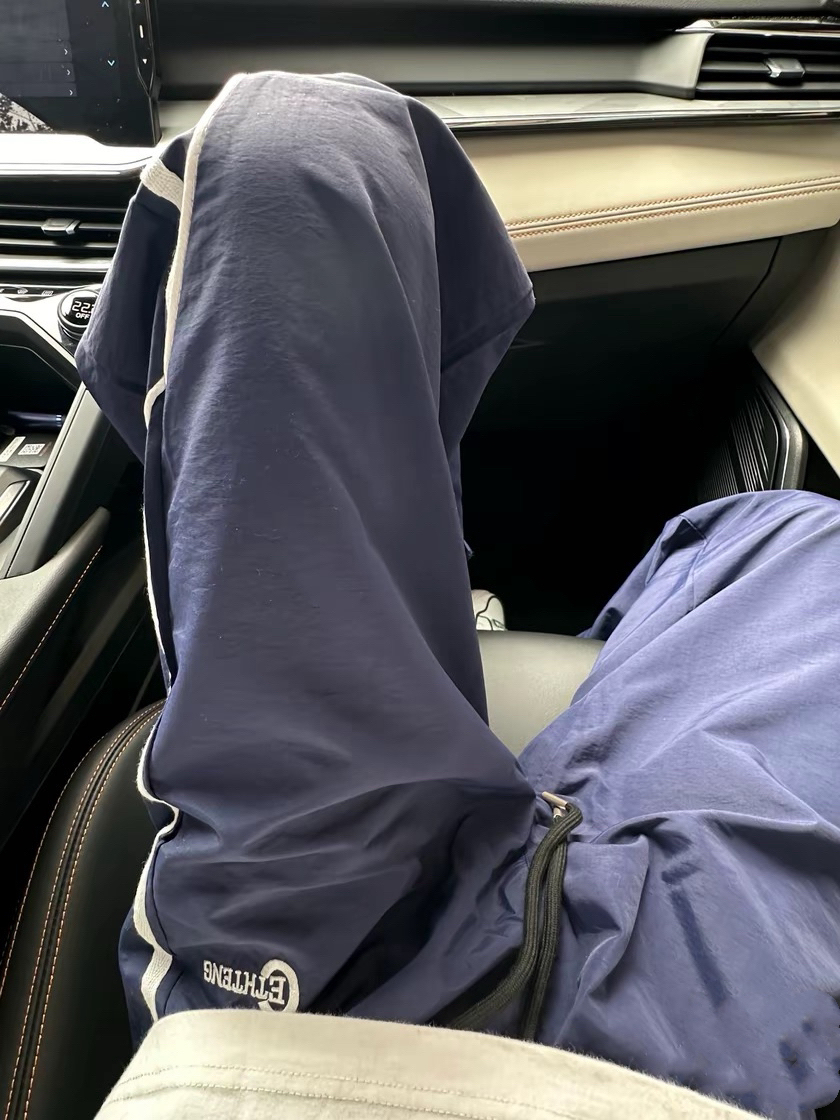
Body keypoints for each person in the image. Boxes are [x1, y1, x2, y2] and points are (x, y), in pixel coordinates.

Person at [77, 71, 840, 1120]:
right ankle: (543, 717)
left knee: (286, 158)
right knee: (778, 537)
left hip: (304, 1010)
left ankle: (513, 747)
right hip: (637, 1046)